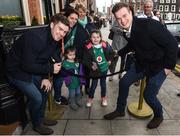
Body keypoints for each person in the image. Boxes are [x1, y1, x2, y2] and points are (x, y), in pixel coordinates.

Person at [104, 2, 178, 129]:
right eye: (118, 18)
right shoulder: (130, 28)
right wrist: (118, 53)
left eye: (125, 16)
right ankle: (120, 110)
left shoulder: (150, 25)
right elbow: (133, 44)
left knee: (148, 95)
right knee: (123, 83)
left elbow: (172, 44)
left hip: (159, 67)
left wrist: (168, 67)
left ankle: (159, 115)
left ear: (131, 12)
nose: (122, 21)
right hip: (142, 64)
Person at [6, 14, 69, 135]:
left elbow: (43, 59)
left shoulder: (54, 38)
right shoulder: (36, 37)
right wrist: (50, 69)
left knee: (45, 89)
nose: (62, 34)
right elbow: (26, 65)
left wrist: (45, 78)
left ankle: (40, 118)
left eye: (65, 32)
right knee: (37, 98)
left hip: (32, 67)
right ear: (51, 25)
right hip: (16, 71)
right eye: (60, 29)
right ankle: (36, 124)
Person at [53, 8, 79, 105]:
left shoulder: (73, 28)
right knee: (58, 79)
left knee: (66, 77)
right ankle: (57, 98)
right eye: (71, 18)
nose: (73, 21)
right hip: (57, 57)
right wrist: (58, 60)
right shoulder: (61, 28)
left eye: (76, 19)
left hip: (66, 58)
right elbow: (54, 46)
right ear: (66, 17)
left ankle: (62, 95)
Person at [83, 30, 113, 107]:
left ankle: (103, 98)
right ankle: (90, 98)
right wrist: (91, 65)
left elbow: (111, 53)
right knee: (93, 85)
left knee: (103, 84)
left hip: (104, 69)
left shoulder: (105, 45)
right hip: (95, 71)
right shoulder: (88, 47)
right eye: (93, 37)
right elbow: (85, 59)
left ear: (100, 37)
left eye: (97, 37)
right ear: (90, 38)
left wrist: (109, 60)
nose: (95, 39)